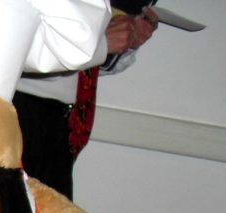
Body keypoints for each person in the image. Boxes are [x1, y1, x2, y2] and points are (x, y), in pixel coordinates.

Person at [13, 3, 159, 199]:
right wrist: (102, 44)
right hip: (21, 112)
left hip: (61, 123)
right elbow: (22, 51)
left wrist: (125, 41)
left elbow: (80, 73)